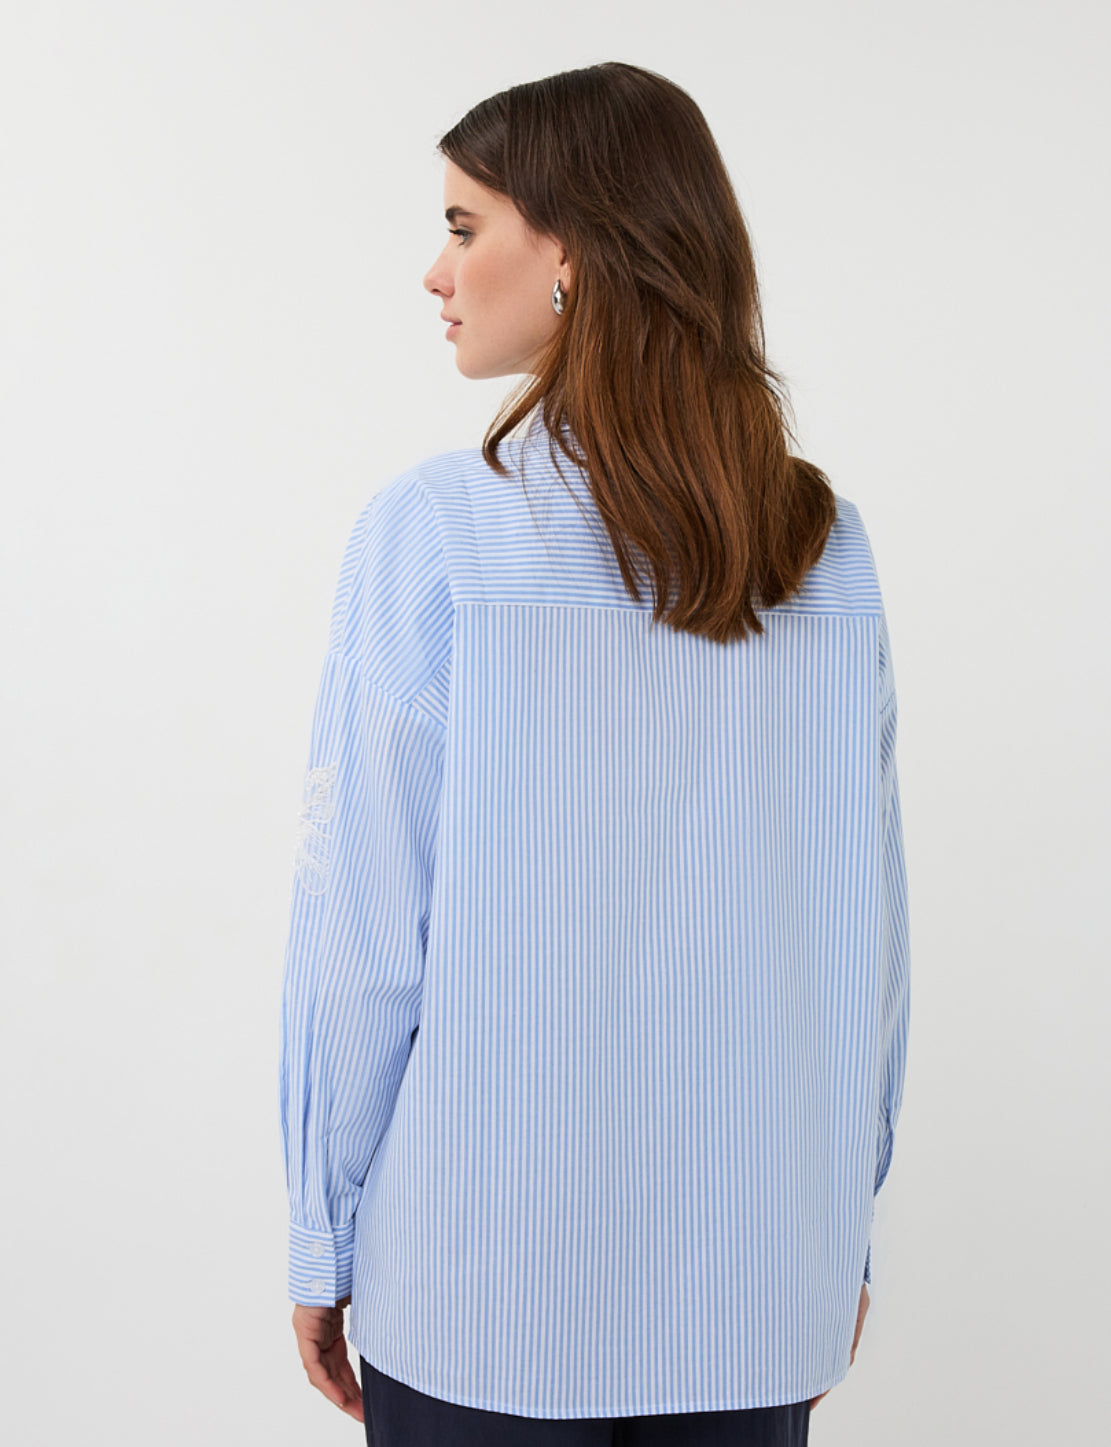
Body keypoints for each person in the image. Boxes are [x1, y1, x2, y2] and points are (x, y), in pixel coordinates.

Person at [279, 61, 910, 1447]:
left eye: (464, 227)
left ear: (571, 249)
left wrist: (322, 1233)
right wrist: (833, 1238)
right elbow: (864, 945)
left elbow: (364, 933)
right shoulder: (820, 545)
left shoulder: (439, 532)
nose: (436, 273)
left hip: (481, 1294)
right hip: (755, 1289)